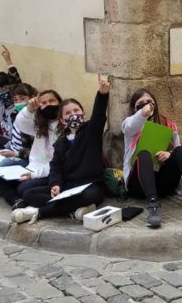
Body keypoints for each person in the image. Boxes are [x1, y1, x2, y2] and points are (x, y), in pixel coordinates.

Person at [11, 76, 111, 224]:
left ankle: (39, 212)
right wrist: (55, 184)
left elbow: (99, 114)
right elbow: (55, 167)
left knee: (91, 195)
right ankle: (73, 209)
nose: (73, 115)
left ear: (83, 113)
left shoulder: (91, 131)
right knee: (29, 194)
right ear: (63, 120)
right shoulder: (61, 142)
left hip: (90, 185)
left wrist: (102, 94)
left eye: (76, 110)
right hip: (69, 186)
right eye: (68, 113)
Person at [122, 88, 182, 228]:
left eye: (149, 101)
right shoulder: (129, 125)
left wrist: (169, 154)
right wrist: (142, 113)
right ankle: (153, 205)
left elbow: (179, 156)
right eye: (141, 103)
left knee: (180, 151)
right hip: (139, 186)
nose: (146, 104)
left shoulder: (168, 125)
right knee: (144, 154)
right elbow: (130, 125)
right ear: (133, 107)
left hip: (164, 183)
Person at [0, 88, 62, 207]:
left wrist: (34, 175)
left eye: (52, 101)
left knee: (23, 188)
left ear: (60, 103)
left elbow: (57, 164)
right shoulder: (40, 124)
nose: (48, 105)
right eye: (44, 103)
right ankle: (13, 196)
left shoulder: (64, 127)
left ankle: (8, 192)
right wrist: (29, 109)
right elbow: (21, 124)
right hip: (31, 167)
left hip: (48, 172)